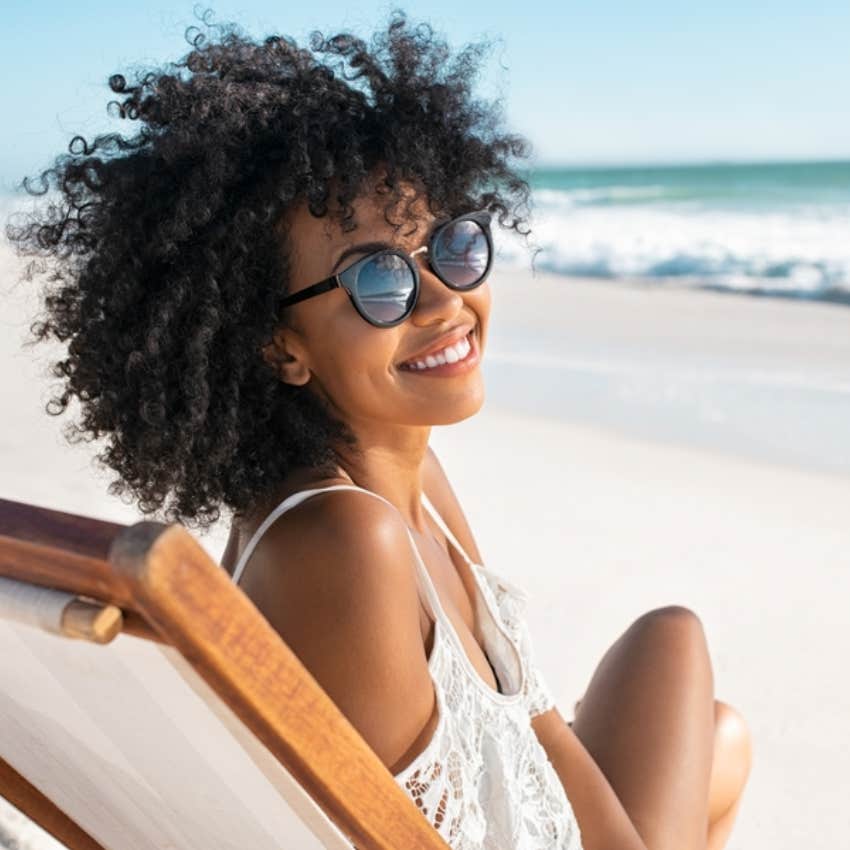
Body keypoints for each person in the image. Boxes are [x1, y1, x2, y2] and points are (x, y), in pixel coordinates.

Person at [6, 8, 751, 849]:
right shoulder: (345, 537)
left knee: (691, 680)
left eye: (452, 247)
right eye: (378, 281)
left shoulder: (405, 477)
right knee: (704, 716)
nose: (443, 302)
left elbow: (533, 711)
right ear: (280, 346)